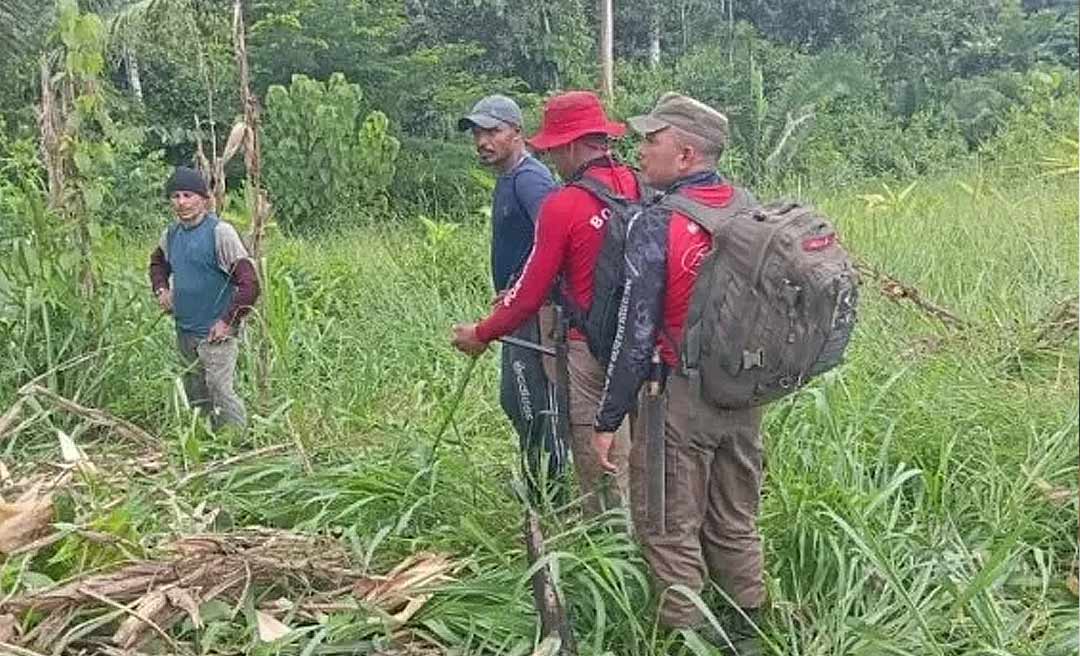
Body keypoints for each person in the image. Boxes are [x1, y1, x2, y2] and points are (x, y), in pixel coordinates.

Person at [592, 93, 765, 652]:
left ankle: (683, 640)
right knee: (735, 518)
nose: (640, 150)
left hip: (677, 396)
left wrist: (608, 417)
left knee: (667, 526)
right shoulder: (748, 209)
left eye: (651, 140)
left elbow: (635, 331)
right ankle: (754, 633)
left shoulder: (657, 222)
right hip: (743, 393)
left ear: (686, 154)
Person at [452, 91, 638, 517]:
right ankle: (636, 535)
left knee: (595, 450)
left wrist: (482, 331)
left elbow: (534, 285)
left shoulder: (555, 198)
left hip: (584, 341)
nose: (554, 160)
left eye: (555, 149)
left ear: (571, 145)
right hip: (636, 340)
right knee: (631, 447)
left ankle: (600, 544)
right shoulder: (636, 185)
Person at [456, 95, 565, 496]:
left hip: (533, 311)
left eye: (492, 131)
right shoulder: (509, 178)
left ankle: (550, 494)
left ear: (517, 133)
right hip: (517, 308)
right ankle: (539, 483)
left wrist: (521, 290)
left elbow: (553, 239)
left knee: (532, 401)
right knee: (517, 401)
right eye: (478, 133)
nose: (483, 141)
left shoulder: (530, 179)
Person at [149, 167, 260, 430]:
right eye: (175, 196)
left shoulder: (220, 233)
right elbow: (157, 264)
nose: (182, 202)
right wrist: (161, 289)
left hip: (215, 332)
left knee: (220, 390)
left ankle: (238, 442)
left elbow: (250, 284)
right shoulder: (172, 235)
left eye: (188, 195)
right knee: (195, 391)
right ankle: (206, 444)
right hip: (185, 329)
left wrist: (227, 321)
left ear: (204, 199)